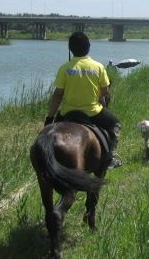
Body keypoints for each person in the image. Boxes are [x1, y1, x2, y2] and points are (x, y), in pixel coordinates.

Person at [45, 32, 122, 168]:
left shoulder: (64, 68)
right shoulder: (98, 67)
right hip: (92, 112)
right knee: (115, 125)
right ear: (88, 47)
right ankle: (110, 157)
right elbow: (104, 92)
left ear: (71, 49)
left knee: (48, 135)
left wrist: (49, 118)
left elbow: (58, 95)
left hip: (67, 112)